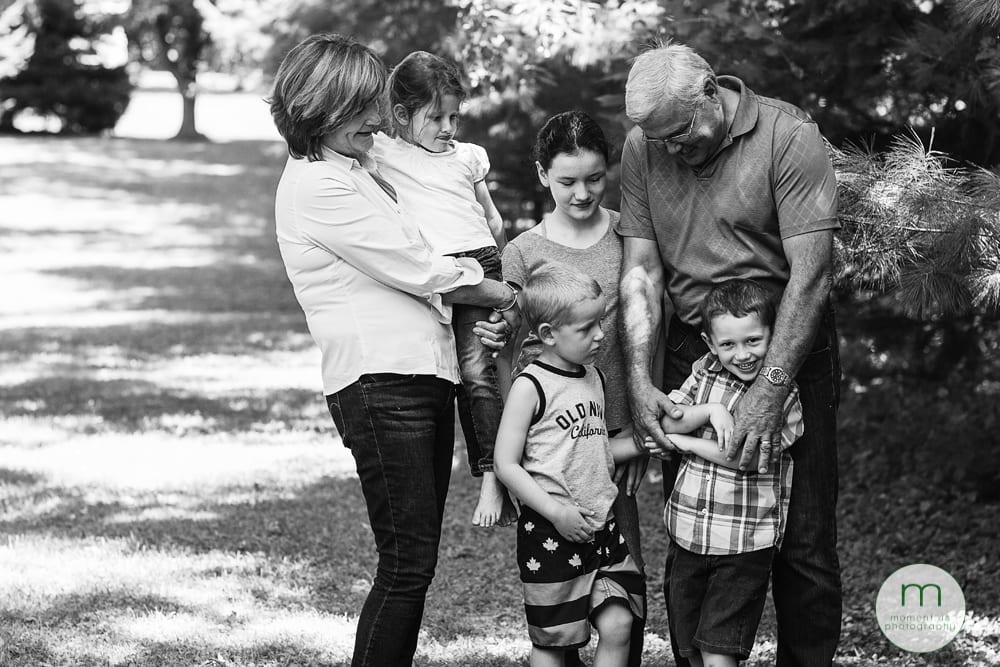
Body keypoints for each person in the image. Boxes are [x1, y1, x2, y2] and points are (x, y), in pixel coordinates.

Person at [269, 33, 518, 667]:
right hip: (381, 385)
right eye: (362, 110)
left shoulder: (357, 168)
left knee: (416, 563)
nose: (378, 120)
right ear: (320, 110)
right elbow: (417, 266)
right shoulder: (317, 186)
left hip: (420, 376)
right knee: (407, 564)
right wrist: (503, 290)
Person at [616, 41, 842, 666]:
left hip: (787, 343)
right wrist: (639, 379)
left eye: (679, 133)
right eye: (657, 139)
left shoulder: (788, 136)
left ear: (711, 92)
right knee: (695, 533)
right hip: (692, 349)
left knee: (803, 543)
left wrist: (769, 389)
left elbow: (812, 277)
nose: (669, 149)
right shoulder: (642, 148)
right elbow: (641, 271)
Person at [500, 110, 647, 667]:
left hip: (615, 426)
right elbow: (509, 353)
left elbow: (646, 321)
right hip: (554, 447)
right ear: (543, 175)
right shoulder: (522, 251)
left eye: (594, 178)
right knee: (562, 610)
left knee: (623, 596)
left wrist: (639, 420)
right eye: (566, 181)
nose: (582, 193)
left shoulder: (631, 233)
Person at [374, 50, 513, 527]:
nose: (448, 127)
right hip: (434, 270)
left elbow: (492, 220)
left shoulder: (468, 157)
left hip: (480, 263)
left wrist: (503, 278)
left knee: (478, 373)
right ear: (400, 114)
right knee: (447, 376)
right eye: (436, 117)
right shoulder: (384, 152)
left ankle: (493, 474)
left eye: (454, 116)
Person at [647, 279, 804, 667]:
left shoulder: (782, 395)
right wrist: (710, 412)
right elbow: (669, 419)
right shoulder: (704, 372)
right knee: (689, 645)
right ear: (710, 343)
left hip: (742, 544)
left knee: (719, 649)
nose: (743, 354)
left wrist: (687, 444)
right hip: (688, 534)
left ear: (773, 336)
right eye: (729, 344)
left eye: (753, 340)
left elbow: (746, 458)